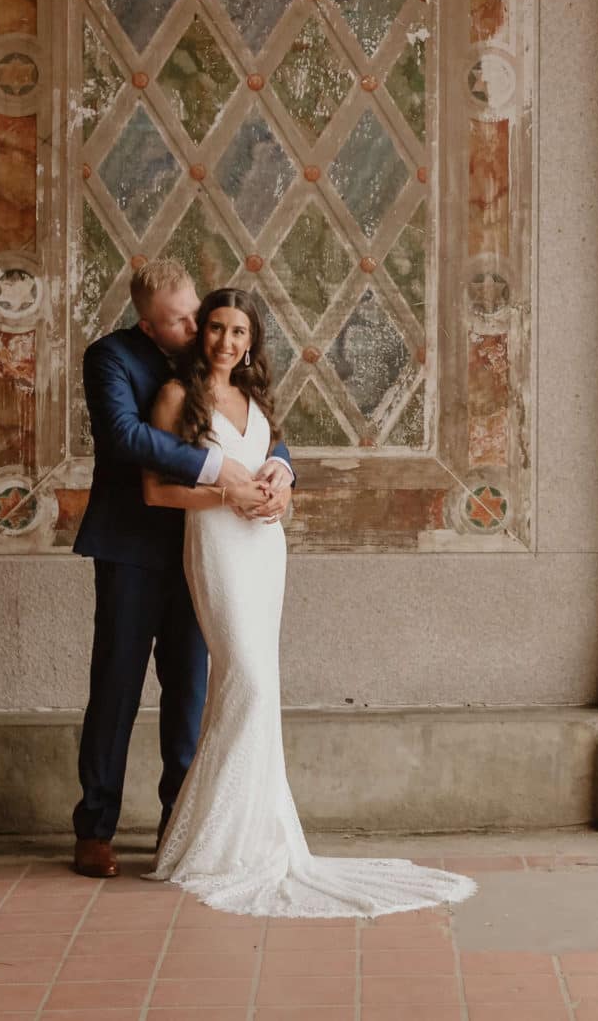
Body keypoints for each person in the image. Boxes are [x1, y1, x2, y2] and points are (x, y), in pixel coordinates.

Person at [139, 287, 477, 918]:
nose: (225, 342)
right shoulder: (176, 397)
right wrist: (224, 499)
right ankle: (211, 844)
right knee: (247, 683)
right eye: (215, 328)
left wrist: (282, 486)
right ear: (201, 333)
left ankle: (254, 836)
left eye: (239, 332)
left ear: (251, 343)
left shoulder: (255, 398)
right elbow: (157, 493)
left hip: (265, 549)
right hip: (214, 543)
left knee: (256, 686)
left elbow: (272, 461)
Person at [70, 261, 294, 881]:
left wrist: (282, 468)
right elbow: (124, 437)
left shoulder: (210, 354)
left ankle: (182, 821)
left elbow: (258, 425)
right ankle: (95, 827)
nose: (199, 326)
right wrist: (218, 473)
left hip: (212, 552)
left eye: (198, 311)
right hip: (133, 545)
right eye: (183, 319)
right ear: (147, 324)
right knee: (116, 686)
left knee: (191, 688)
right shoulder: (111, 358)